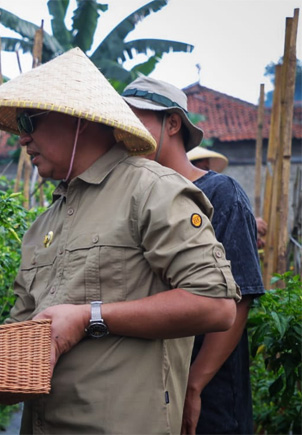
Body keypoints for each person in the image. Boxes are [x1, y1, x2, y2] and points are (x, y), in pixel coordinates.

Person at [0, 48, 239, 434]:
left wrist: (89, 317)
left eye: (30, 120)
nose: (22, 137)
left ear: (78, 119)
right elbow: (16, 359)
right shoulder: (46, 222)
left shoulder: (151, 191)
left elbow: (216, 306)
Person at [122, 75, 264, 435]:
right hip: (155, 382)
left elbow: (240, 297)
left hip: (209, 389)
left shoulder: (220, 193)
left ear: (172, 124)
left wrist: (195, 384)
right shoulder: (136, 197)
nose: (126, 133)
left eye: (138, 119)